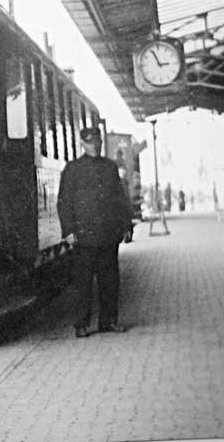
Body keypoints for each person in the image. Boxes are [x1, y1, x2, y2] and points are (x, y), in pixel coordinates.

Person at [57, 127, 134, 338]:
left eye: (98, 142)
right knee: (82, 284)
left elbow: (120, 198)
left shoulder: (109, 168)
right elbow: (64, 202)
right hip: (83, 237)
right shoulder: (72, 169)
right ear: (83, 144)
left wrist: (127, 225)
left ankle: (108, 322)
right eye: (91, 142)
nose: (95, 146)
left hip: (108, 235)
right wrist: (69, 231)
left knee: (110, 282)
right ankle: (81, 325)